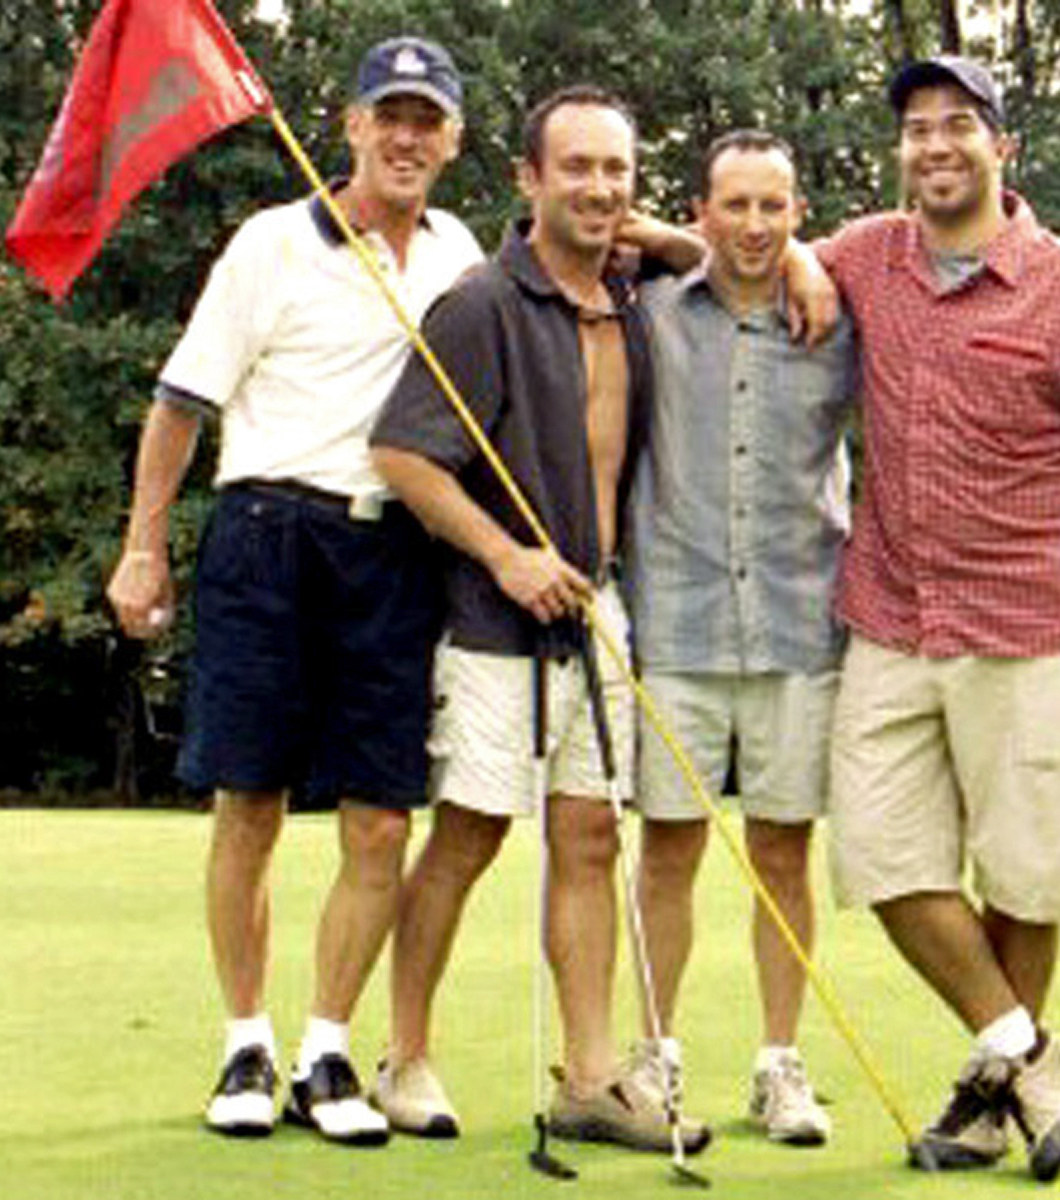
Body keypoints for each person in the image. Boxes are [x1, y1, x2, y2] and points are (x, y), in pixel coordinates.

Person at [105, 36, 482, 1145]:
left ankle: (326, 1052)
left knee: (380, 816)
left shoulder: (459, 254)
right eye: (388, 117)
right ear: (351, 126)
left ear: (453, 141)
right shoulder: (272, 242)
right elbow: (180, 404)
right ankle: (245, 1042)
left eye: (426, 122)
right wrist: (142, 545)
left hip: (393, 550)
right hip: (267, 536)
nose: (405, 138)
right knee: (250, 801)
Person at [814, 56, 1060, 1181]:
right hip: (891, 614)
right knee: (878, 857)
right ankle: (1032, 1054)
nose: (935, 145)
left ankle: (982, 1100)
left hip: (1030, 623)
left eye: (958, 124)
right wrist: (649, 240)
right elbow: (758, 260)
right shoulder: (866, 255)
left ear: (1001, 146)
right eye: (917, 128)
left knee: (1021, 879)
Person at [368, 85, 709, 1155]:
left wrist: (661, 236)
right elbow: (403, 455)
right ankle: (403, 1058)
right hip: (494, 619)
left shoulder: (634, 293)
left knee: (590, 839)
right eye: (576, 168)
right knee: (468, 835)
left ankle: (591, 1080)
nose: (598, 188)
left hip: (598, 612)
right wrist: (506, 556)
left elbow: (722, 256)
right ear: (527, 178)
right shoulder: (479, 304)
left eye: (616, 170)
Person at [622, 130, 853, 1147]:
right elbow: (564, 238)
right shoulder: (651, 312)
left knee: (782, 854)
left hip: (801, 624)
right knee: (667, 849)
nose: (754, 225)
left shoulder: (839, 321)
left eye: (774, 207)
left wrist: (808, 268)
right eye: (735, 205)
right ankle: (653, 1056)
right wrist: (672, 243)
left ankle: (778, 1064)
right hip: (678, 622)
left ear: (798, 214)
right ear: (701, 212)